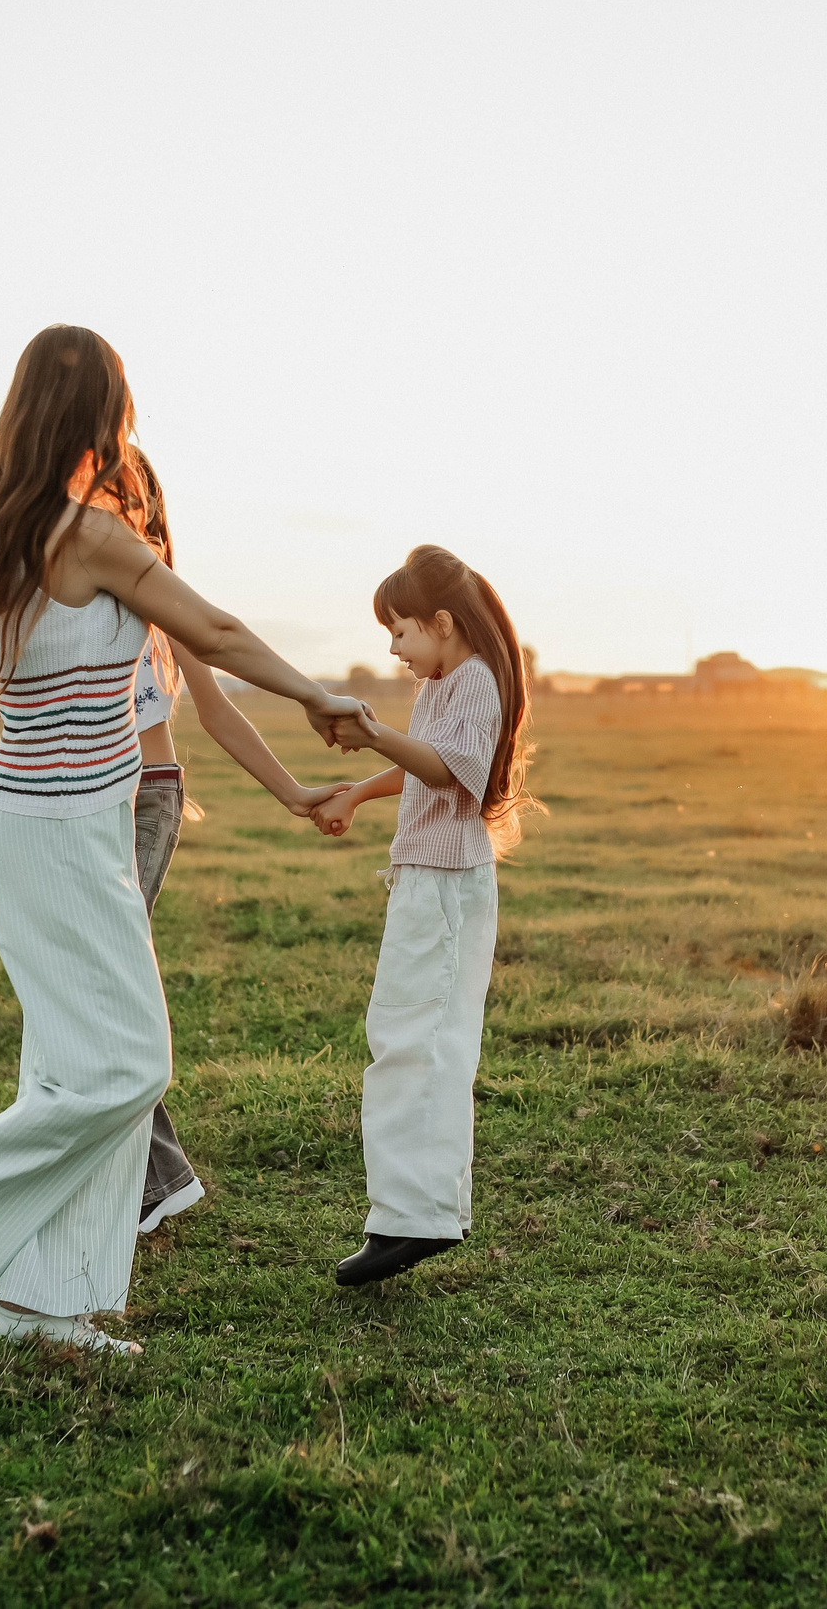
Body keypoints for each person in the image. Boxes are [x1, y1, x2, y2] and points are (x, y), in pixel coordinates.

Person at [0, 324, 362, 1354]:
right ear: (102, 413)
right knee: (129, 1065)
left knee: (71, 1069)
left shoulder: (5, 530)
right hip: (55, 830)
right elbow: (213, 632)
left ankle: (47, 1304)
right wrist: (312, 690)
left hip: (59, 822)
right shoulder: (86, 531)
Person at [0, 445, 344, 1236]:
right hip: (65, 804)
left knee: (104, 990)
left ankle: (143, 1181)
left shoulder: (155, 600)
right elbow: (3, 697)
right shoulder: (53, 589)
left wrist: (293, 791)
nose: (107, 515)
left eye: (122, 503)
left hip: (146, 801)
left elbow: (221, 712)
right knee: (90, 992)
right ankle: (150, 1177)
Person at [311, 545, 536, 1286]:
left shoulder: (473, 682)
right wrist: (358, 790)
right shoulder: (448, 679)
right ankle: (407, 1212)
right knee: (402, 1039)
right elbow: (424, 760)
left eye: (400, 631)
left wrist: (374, 732)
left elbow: (451, 770)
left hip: (445, 887)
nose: (393, 647)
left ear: (442, 623)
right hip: (425, 881)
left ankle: (418, 1218)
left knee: (424, 1044)